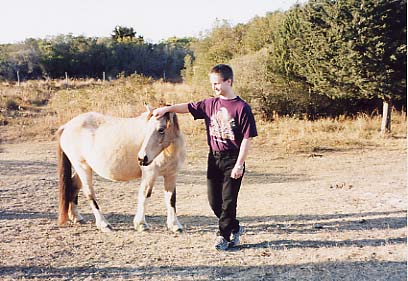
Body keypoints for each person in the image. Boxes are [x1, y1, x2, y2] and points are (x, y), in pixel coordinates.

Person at [153, 64, 258, 251]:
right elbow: (187, 107)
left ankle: (223, 237)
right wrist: (166, 109)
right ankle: (235, 227)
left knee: (228, 200)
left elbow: (247, 139)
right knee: (214, 201)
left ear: (229, 81)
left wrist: (239, 165)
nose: (214, 87)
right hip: (214, 158)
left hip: (233, 159)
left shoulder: (242, 108)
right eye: (212, 84)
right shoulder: (210, 104)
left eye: (217, 84)